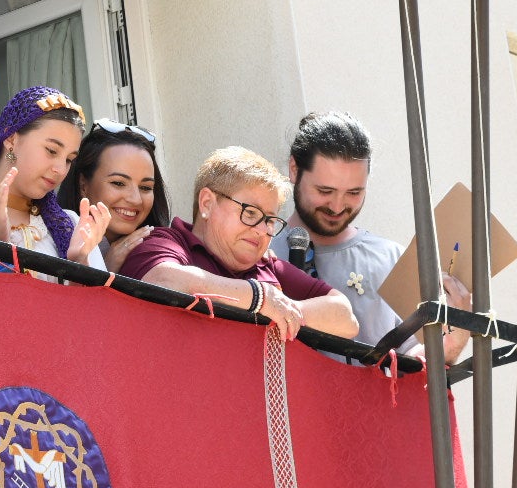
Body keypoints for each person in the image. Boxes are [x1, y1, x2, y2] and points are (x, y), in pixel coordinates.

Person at [269, 111, 470, 359]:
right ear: (293, 170)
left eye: (354, 193)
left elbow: (418, 362)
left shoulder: (392, 258)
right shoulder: (259, 252)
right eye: (325, 190)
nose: (337, 206)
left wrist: (454, 340)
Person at [121, 146, 359, 341]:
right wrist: (258, 298)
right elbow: (159, 280)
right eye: (251, 212)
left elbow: (346, 317)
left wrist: (281, 309)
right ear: (206, 203)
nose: (262, 230)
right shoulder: (167, 242)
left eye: (270, 220)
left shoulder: (269, 266)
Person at [0, 86, 111, 281]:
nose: (61, 169)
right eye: (52, 151)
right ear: (11, 138)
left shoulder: (70, 225)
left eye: (69, 159)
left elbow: (95, 310)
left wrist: (79, 263)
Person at [57, 119, 173, 273]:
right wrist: (106, 267)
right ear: (83, 185)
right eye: (118, 183)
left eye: (145, 187)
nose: (136, 199)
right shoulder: (47, 241)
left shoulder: (163, 251)